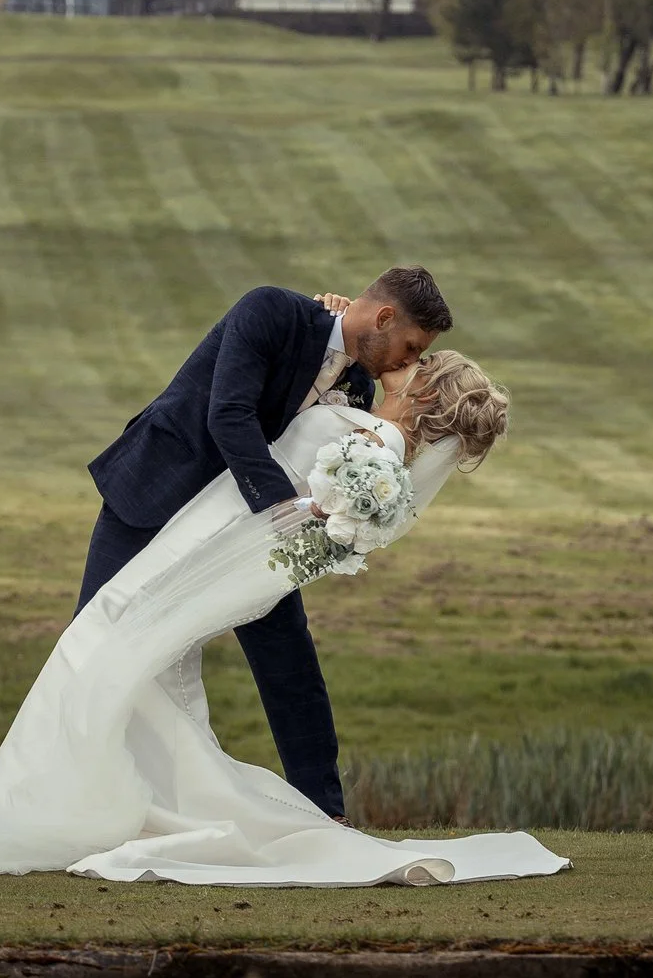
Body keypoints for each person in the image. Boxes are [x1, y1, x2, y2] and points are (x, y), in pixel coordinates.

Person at [0, 332, 568, 886]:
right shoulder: (377, 450)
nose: (405, 363)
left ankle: (83, 809)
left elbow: (288, 492)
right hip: (197, 546)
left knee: (102, 660)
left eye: (419, 366)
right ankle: (109, 803)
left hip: (201, 551)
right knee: (122, 672)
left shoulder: (371, 453)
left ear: (427, 395)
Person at [74, 268, 450, 818]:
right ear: (385, 317)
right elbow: (228, 415)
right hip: (157, 492)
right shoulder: (270, 310)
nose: (407, 362)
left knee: (287, 655)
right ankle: (86, 801)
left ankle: (327, 813)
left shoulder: (362, 385)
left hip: (241, 530)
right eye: (410, 347)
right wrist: (285, 513)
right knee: (94, 637)